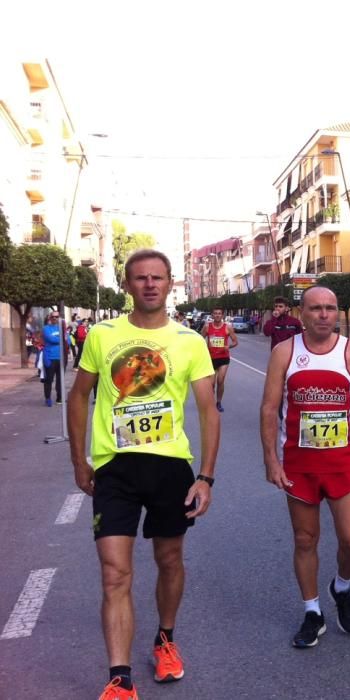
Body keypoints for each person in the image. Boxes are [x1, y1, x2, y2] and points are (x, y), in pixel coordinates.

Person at [67, 249, 220, 700]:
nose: (149, 284)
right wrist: (79, 459)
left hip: (171, 468)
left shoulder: (189, 341)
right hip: (115, 469)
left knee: (169, 560)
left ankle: (165, 640)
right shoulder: (102, 334)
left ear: (170, 283)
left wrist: (206, 477)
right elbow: (79, 397)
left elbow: (210, 411)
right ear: (127, 285)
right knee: (115, 573)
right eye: (140, 278)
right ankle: (120, 677)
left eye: (157, 277)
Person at [260, 285, 350, 648]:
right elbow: (269, 408)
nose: (324, 314)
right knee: (305, 539)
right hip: (299, 464)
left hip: (343, 462)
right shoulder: (285, 351)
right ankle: (313, 612)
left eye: (330, 308)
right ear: (302, 313)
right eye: (316, 308)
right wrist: (270, 458)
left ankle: (341, 587)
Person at [201, 307, 239, 413]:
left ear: (222, 315)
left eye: (219, 313)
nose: (217, 315)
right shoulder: (207, 326)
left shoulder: (228, 327)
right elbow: (200, 339)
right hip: (211, 358)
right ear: (212, 315)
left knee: (221, 380)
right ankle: (210, 402)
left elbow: (235, 342)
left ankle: (218, 402)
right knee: (211, 384)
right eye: (215, 313)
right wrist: (203, 349)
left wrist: (228, 347)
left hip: (223, 358)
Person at [41, 310, 70, 406]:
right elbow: (50, 339)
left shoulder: (62, 329)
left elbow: (68, 341)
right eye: (53, 317)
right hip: (50, 358)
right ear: (50, 318)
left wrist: (61, 339)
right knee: (49, 379)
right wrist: (61, 339)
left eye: (57, 317)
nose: (55, 318)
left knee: (60, 379)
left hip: (61, 358)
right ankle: (48, 398)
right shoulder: (46, 328)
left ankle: (59, 398)